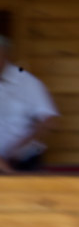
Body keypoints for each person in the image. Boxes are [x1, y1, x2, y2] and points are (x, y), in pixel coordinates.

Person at [0, 35, 58, 171]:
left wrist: (18, 150)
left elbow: (49, 121)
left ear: (6, 56)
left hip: (22, 162)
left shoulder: (27, 82)